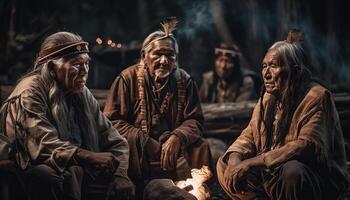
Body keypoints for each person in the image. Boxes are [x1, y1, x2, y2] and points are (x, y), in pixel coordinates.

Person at [0, 31, 134, 200]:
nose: (84, 71)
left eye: (86, 64)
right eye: (77, 64)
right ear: (52, 68)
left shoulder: (82, 92)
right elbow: (42, 144)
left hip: (77, 167)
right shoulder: (30, 92)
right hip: (30, 167)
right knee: (49, 176)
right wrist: (88, 156)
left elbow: (114, 140)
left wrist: (120, 175)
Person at [217, 39, 350, 199]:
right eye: (264, 66)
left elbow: (305, 146)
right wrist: (235, 162)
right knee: (224, 165)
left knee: (293, 171)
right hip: (272, 174)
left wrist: (251, 162)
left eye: (273, 66)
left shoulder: (316, 96)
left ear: (294, 70)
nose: (266, 74)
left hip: (314, 177)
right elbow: (248, 136)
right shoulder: (268, 98)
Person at [103, 18, 212, 197]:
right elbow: (112, 122)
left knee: (201, 146)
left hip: (174, 150)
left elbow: (195, 120)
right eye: (157, 54)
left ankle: (196, 191)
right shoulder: (127, 79)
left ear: (176, 59)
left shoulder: (185, 80)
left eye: (170, 55)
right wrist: (143, 141)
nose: (164, 61)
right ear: (144, 56)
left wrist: (178, 137)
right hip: (139, 152)